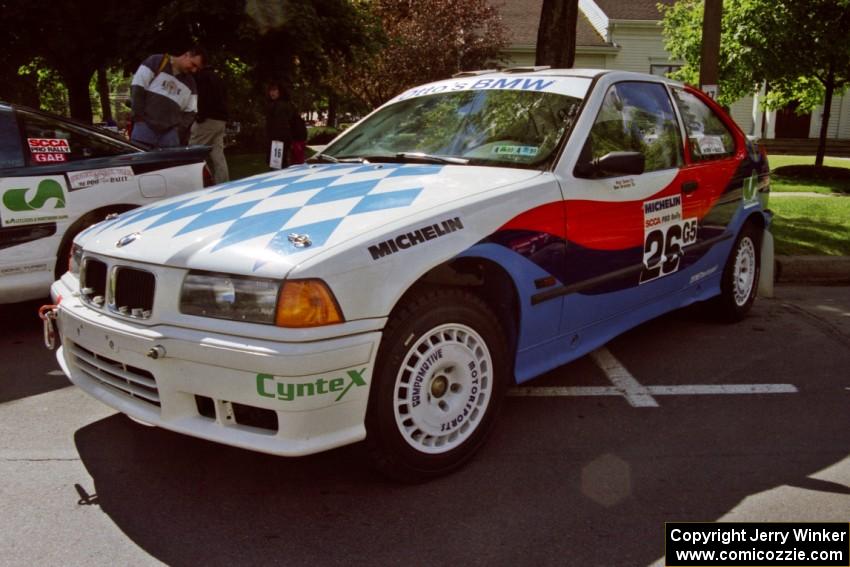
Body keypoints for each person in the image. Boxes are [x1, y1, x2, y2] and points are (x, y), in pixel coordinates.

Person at [130, 47, 206, 148]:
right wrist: (139, 118)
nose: (194, 70)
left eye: (197, 68)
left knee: (168, 164)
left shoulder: (191, 83)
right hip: (144, 128)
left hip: (169, 136)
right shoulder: (156, 61)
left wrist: (177, 130)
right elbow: (137, 88)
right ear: (186, 54)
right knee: (140, 162)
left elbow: (191, 111)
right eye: (193, 64)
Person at [189, 67, 229, 183]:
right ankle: (222, 183)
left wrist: (200, 117)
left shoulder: (201, 78)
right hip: (220, 120)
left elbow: (203, 99)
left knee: (192, 154)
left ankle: (200, 182)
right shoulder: (218, 78)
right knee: (218, 156)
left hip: (208, 119)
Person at [265, 82, 292, 168]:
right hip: (275, 139)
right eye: (271, 90)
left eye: (274, 90)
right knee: (277, 164)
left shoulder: (281, 105)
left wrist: (277, 138)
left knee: (277, 164)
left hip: (279, 140)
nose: (272, 93)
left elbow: (281, 123)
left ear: (279, 92)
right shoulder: (273, 104)